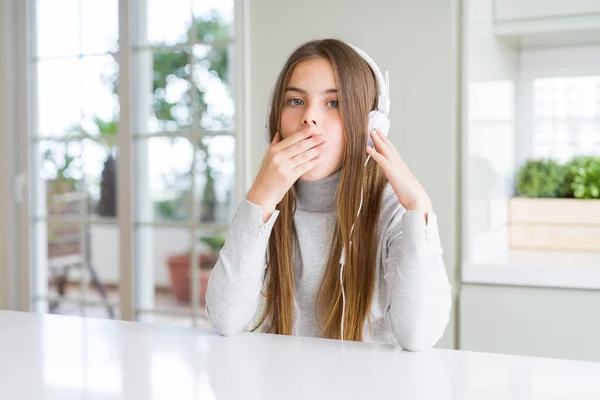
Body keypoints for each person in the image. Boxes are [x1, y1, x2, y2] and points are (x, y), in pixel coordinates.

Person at [206, 38, 451, 350]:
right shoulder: (266, 203)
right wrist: (258, 200)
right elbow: (226, 319)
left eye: (333, 103)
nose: (309, 117)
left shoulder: (392, 209)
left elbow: (418, 336)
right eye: (295, 101)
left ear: (372, 123)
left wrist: (419, 209)